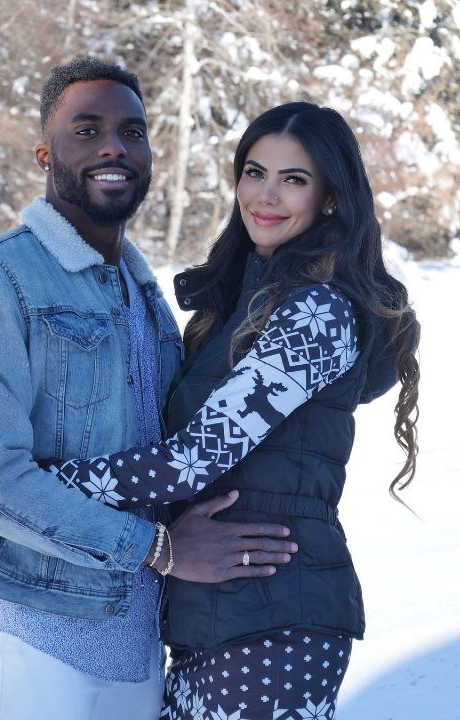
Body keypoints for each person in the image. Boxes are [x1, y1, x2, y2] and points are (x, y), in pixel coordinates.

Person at [0, 58, 298, 720]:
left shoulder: (144, 293)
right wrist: (158, 549)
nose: (113, 147)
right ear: (45, 151)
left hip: (136, 640)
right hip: (32, 632)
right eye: (87, 129)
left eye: (133, 131)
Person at [46, 102, 420, 719]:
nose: (265, 195)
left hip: (275, 617)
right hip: (214, 616)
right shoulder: (242, 308)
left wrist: (47, 483)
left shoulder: (316, 314)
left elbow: (193, 460)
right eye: (254, 172)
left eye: (293, 179)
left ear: (330, 196)